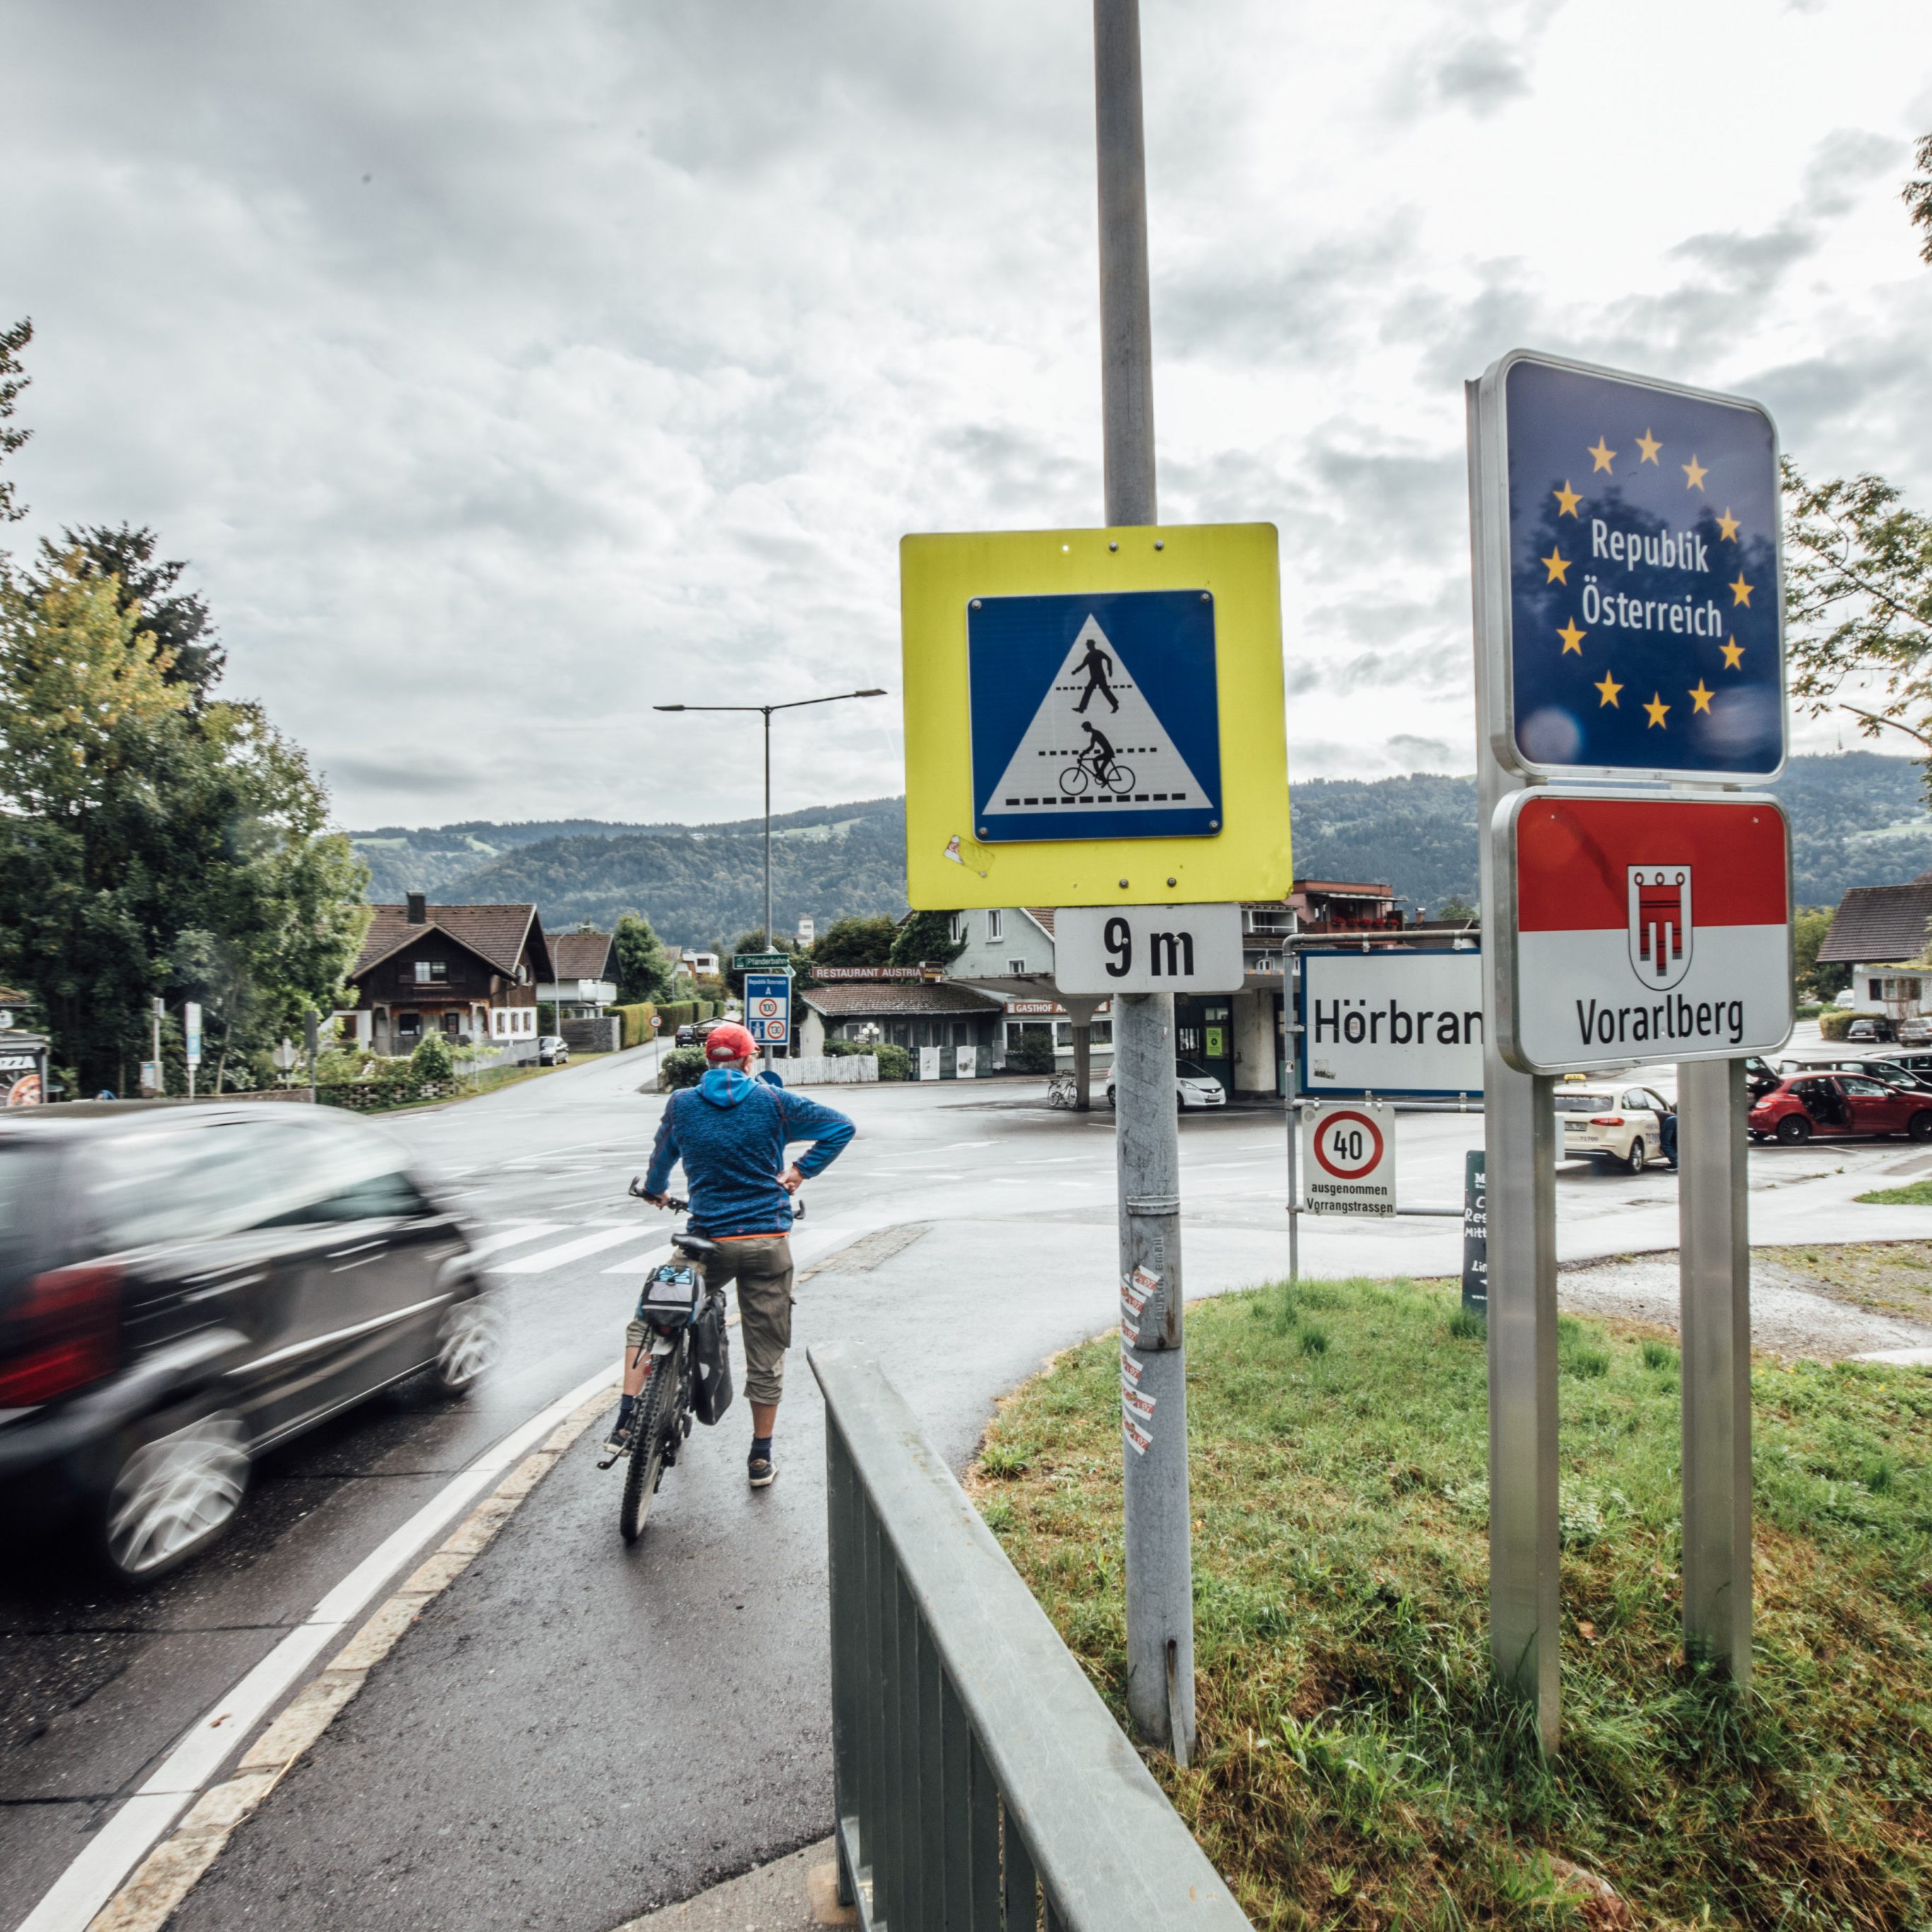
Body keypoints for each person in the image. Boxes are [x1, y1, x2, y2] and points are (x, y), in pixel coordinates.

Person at [606, 1021, 853, 1488]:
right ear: (747, 1059)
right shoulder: (774, 1101)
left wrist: (657, 1192)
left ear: (707, 1060)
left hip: (707, 1244)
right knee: (765, 1350)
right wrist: (800, 1171)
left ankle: (626, 1416)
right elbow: (841, 1127)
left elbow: (661, 1160)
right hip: (766, 1244)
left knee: (650, 1314)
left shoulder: (682, 1103)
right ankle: (760, 1456)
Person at [1073, 635, 1118, 714]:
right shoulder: (1089, 655)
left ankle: (1115, 706)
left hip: (1100, 676)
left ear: (1092, 645)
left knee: (1105, 691)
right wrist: (1076, 671)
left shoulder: (1098, 652)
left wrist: (1110, 670)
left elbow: (1109, 660)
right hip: (1094, 677)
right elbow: (1083, 665)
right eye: (1087, 645)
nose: (1087, 647)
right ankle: (1081, 709)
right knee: (1089, 691)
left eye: (1088, 645)